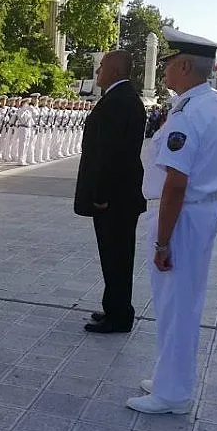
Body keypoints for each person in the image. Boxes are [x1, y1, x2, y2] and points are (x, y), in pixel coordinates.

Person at [127, 27, 217, 414]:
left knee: (177, 305)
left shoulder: (190, 112)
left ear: (185, 65)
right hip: (196, 211)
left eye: (169, 64)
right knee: (179, 302)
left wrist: (162, 241)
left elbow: (175, 181)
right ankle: (169, 376)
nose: (165, 71)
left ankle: (172, 393)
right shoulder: (211, 104)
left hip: (183, 214)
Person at [74, 50, 146, 334]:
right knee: (114, 255)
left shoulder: (119, 101)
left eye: (102, 66)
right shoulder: (120, 98)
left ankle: (119, 315)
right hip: (120, 196)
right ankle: (114, 307)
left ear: (115, 70)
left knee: (116, 255)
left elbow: (111, 155)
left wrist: (100, 195)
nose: (97, 71)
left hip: (114, 198)